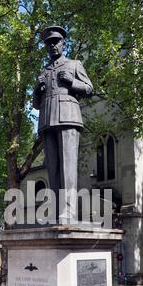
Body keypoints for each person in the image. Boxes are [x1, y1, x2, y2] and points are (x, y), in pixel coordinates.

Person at [33, 26, 93, 222]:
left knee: (68, 167)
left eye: (56, 42)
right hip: (47, 120)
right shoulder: (43, 72)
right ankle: (56, 210)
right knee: (53, 169)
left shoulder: (74, 64)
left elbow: (89, 88)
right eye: (49, 43)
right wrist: (37, 91)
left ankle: (69, 211)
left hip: (68, 116)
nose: (52, 46)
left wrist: (72, 82)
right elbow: (35, 104)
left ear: (63, 44)